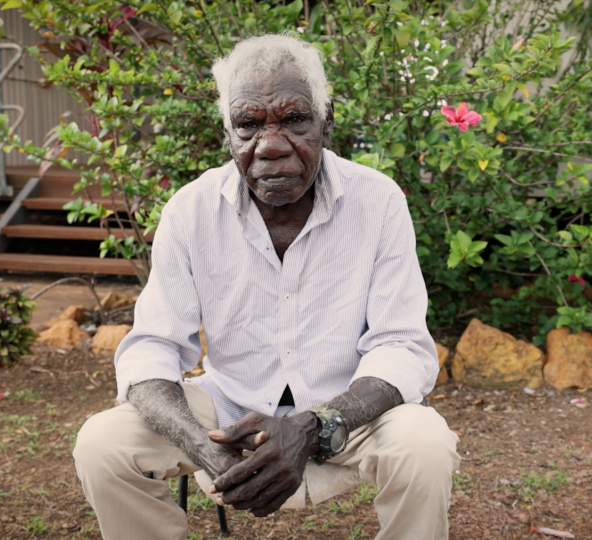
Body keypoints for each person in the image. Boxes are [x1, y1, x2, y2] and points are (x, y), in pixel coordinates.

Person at [73, 34, 460, 540]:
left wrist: (314, 424)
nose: (271, 145)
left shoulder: (378, 202)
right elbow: (152, 348)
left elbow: (402, 345)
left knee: (425, 442)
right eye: (249, 125)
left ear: (327, 121)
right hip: (227, 413)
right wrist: (202, 446)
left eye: (294, 120)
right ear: (227, 133)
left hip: (348, 412)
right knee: (103, 443)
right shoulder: (191, 211)